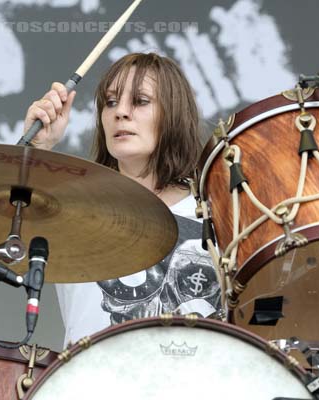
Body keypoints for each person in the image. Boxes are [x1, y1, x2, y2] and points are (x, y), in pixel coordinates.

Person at [25, 53, 222, 348]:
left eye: (140, 101)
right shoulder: (72, 210)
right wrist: (38, 148)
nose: (121, 113)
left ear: (174, 113)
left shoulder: (216, 211)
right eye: (111, 102)